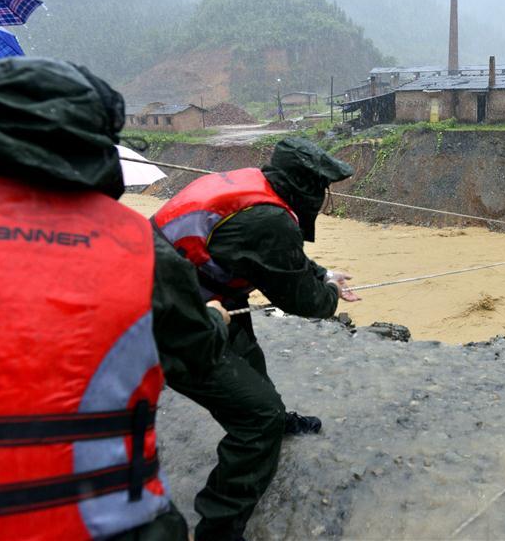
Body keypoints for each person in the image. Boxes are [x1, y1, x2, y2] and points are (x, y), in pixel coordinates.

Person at [0, 57, 232, 540]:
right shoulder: (142, 246)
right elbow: (193, 358)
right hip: (110, 527)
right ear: (98, 142)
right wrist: (218, 323)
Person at [151, 137, 359, 541]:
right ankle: (220, 529)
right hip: (169, 318)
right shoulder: (269, 221)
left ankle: (274, 420)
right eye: (321, 189)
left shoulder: (253, 187)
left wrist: (322, 272)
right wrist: (328, 292)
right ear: (303, 187)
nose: (323, 196)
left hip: (192, 292)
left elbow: (280, 258)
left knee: (247, 358)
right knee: (256, 418)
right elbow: (303, 301)